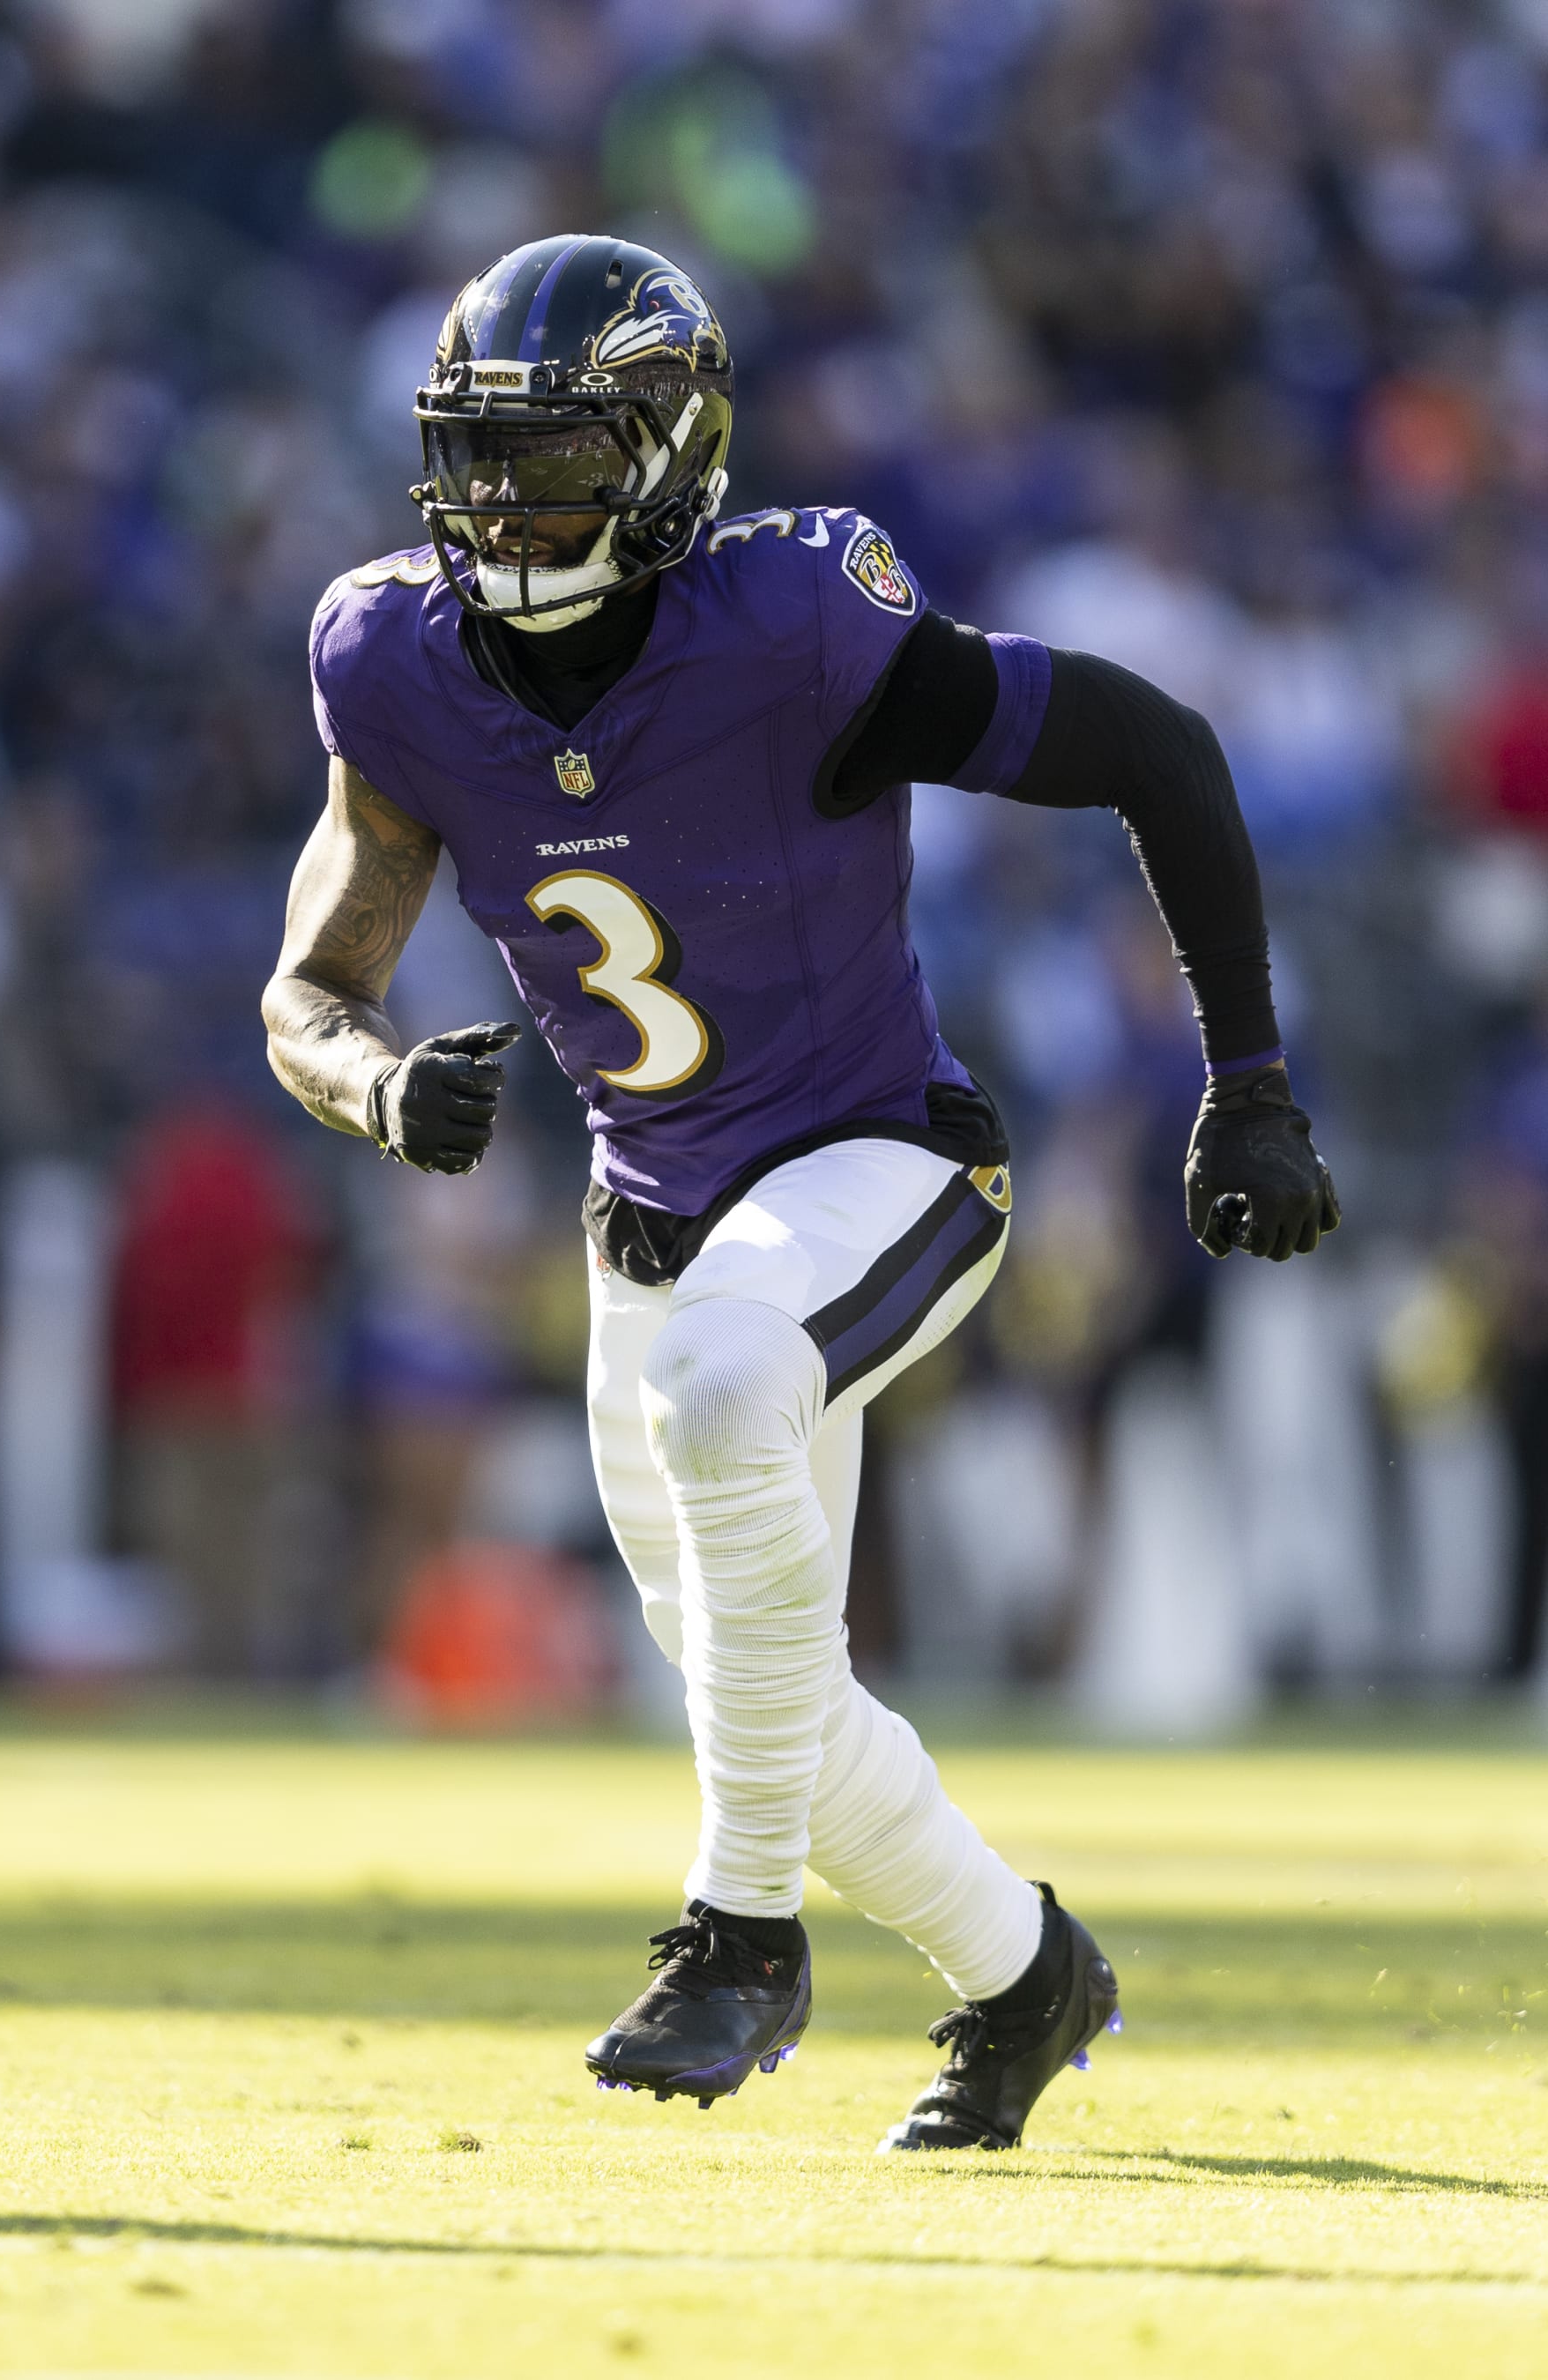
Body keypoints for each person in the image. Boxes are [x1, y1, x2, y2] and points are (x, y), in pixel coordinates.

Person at [262, 235, 1338, 2152]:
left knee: (729, 1400)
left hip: (883, 1158)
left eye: (560, 457)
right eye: (477, 459)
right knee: (773, 1693)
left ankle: (735, 1941)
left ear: (672, 456)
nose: (508, 507)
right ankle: (1028, 1978)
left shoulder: (790, 631)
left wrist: (1245, 1084)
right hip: (649, 1223)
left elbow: (1154, 749)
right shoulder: (395, 659)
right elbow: (309, 990)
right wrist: (374, 1085)